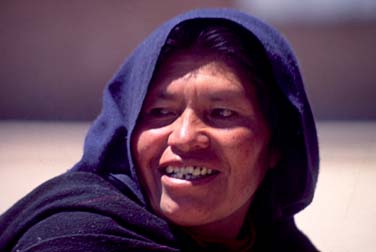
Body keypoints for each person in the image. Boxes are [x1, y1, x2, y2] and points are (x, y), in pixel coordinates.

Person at [0, 8, 319, 251]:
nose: (183, 137)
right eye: (160, 112)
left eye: (222, 113)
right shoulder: (76, 239)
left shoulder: (280, 244)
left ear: (277, 143)